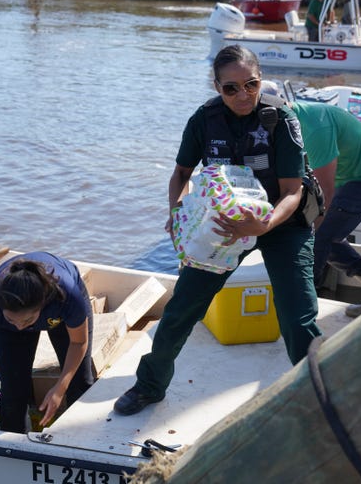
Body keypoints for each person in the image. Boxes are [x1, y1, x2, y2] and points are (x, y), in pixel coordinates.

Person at [112, 45, 322, 416]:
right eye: (231, 88)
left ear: (260, 80)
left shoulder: (281, 119)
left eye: (251, 84)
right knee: (181, 310)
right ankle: (149, 386)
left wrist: (265, 223)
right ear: (216, 87)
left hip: (283, 223)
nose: (243, 95)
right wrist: (177, 213)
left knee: (298, 316)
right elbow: (181, 174)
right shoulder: (203, 120)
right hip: (224, 226)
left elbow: (294, 190)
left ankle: (320, 396)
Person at [0, 252, 94, 433]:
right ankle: (11, 447)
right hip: (7, 329)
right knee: (13, 393)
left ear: (42, 306)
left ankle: (81, 441)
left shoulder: (66, 296)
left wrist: (59, 388)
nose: (20, 327)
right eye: (12, 320)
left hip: (59, 315)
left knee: (80, 382)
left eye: (26, 321)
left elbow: (78, 342)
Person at [289, 100, 361, 318]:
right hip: (348, 177)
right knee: (323, 235)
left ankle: (300, 309)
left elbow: (325, 197)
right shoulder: (291, 121)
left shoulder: (315, 128)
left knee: (319, 237)